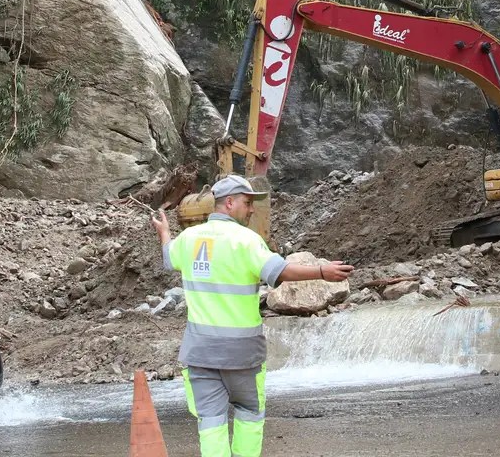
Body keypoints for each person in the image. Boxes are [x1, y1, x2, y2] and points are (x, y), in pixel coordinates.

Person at [152, 175, 354, 457]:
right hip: (242, 355)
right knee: (249, 415)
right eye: (247, 203)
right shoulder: (246, 240)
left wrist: (164, 232)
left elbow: (168, 257)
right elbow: (280, 271)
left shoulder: (188, 239)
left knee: (210, 423)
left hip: (200, 354)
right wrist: (322, 272)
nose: (250, 210)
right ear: (229, 203)